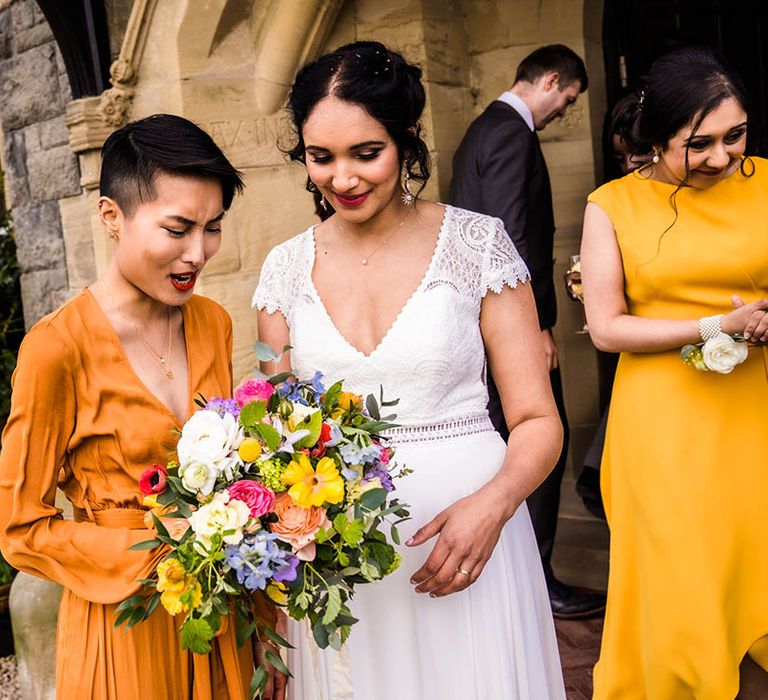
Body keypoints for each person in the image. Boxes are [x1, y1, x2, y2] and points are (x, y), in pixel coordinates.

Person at [254, 41, 566, 699]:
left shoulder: (478, 245)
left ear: (408, 139)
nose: (342, 178)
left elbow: (538, 419)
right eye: (321, 157)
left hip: (471, 544)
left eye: (366, 153)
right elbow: (282, 443)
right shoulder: (283, 270)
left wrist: (496, 504)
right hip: (345, 563)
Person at [0, 114, 280, 700]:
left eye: (213, 228)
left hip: (221, 615)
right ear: (111, 217)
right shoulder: (56, 348)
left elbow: (234, 484)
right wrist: (155, 544)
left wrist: (265, 632)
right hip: (123, 625)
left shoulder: (212, 322)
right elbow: (19, 528)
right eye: (177, 229)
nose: (198, 253)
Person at [581, 46, 768, 698]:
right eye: (699, 143)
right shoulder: (612, 206)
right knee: (685, 575)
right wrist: (715, 326)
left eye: (736, 135)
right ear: (656, 139)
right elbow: (606, 328)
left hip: (756, 414)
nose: (722, 157)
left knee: (755, 562)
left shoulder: (767, 182)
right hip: (663, 425)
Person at [449, 44, 605, 619]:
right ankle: (540, 582)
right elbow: (510, 232)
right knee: (541, 443)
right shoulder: (512, 133)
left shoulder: (478, 130)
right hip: (511, 322)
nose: (565, 108)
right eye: (568, 97)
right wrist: (535, 324)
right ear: (552, 79)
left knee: (512, 443)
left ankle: (524, 575)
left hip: (483, 320)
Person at [576, 92, 651, 518]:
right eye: (625, 158)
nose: (634, 167)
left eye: (642, 155)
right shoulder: (609, 205)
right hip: (641, 356)